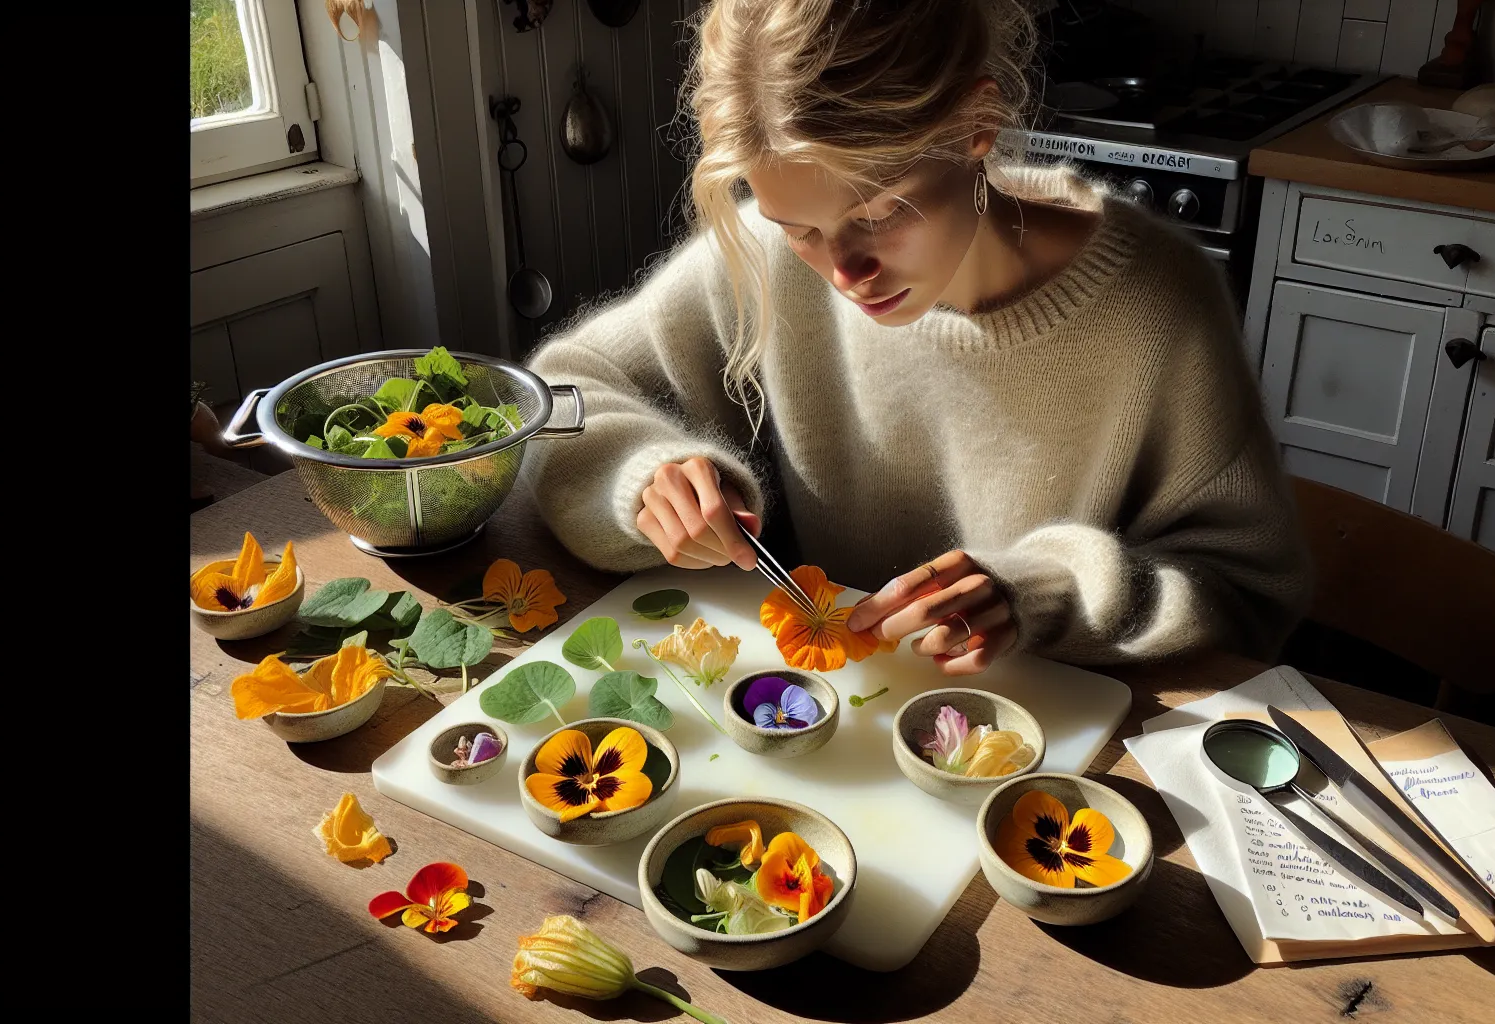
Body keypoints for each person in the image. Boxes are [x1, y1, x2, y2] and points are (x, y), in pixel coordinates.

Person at [527, 0, 1310, 676]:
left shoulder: (1157, 305)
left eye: (880, 215)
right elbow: (558, 396)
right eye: (801, 228)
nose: (844, 273)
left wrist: (1046, 596)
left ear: (977, 126)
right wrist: (643, 478)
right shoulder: (767, 260)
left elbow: (1245, 595)